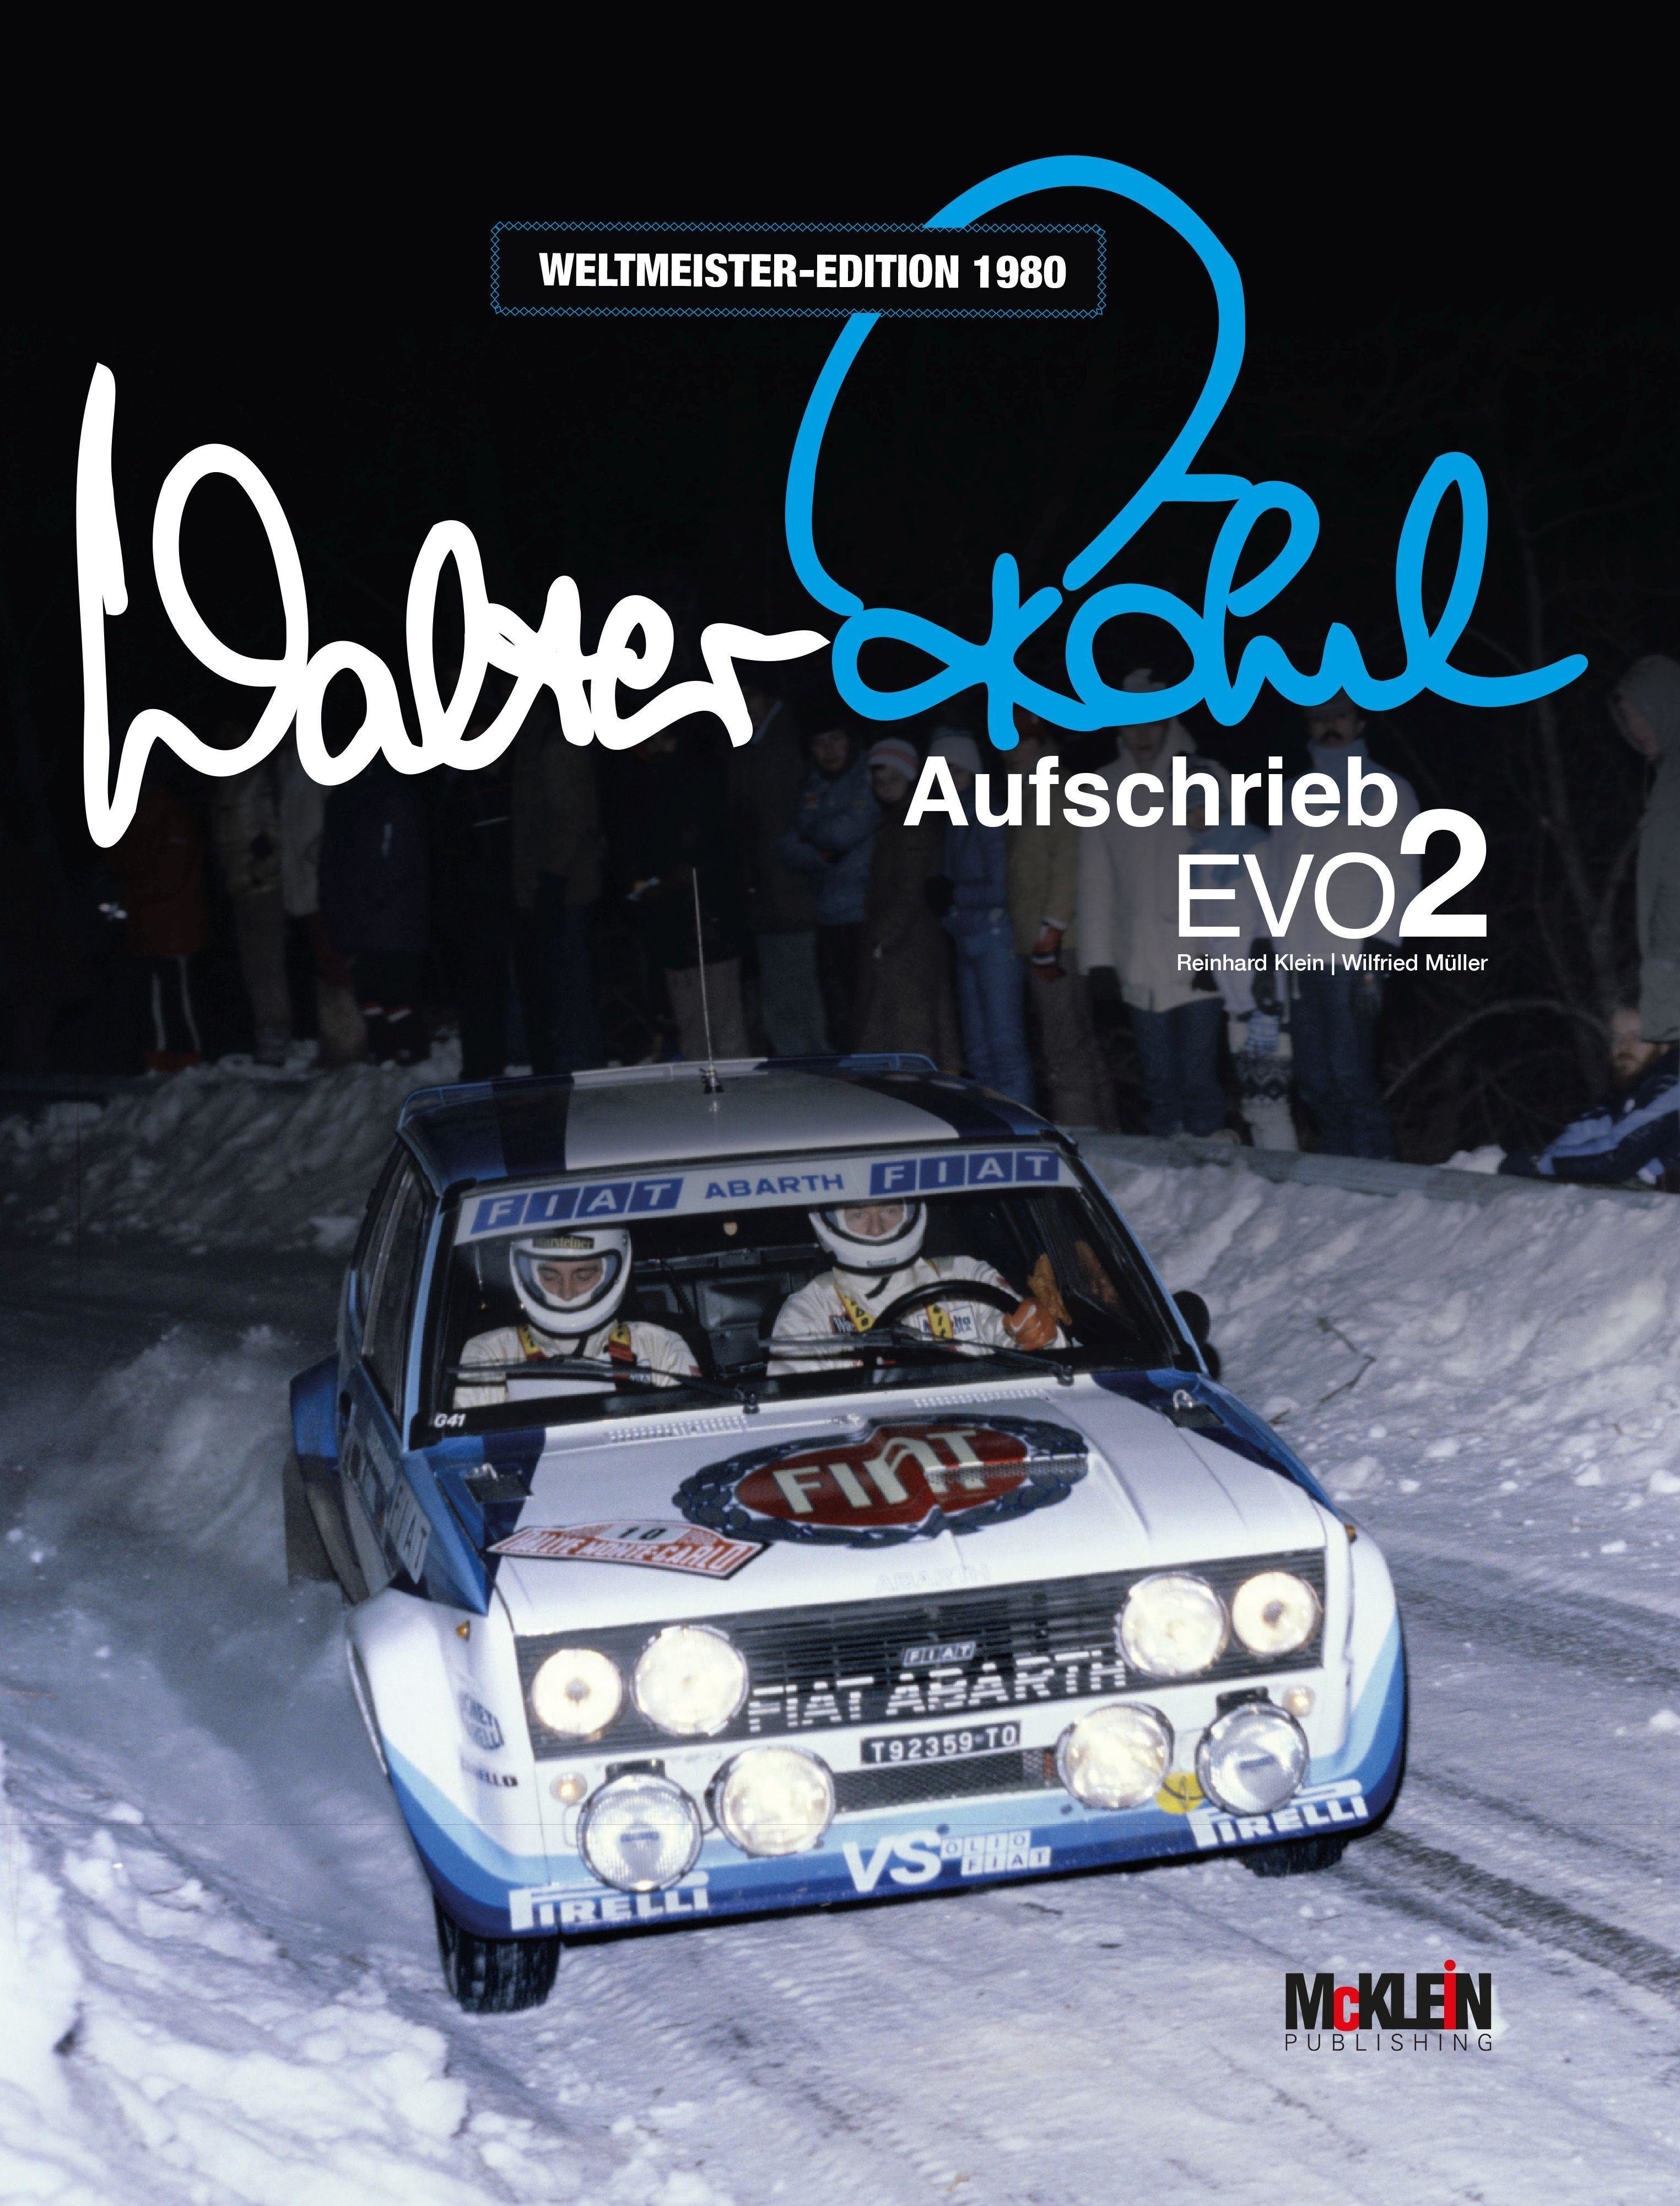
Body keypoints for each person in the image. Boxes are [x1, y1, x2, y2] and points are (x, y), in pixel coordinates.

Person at [1077, 671, 1228, 1138]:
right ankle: (1166, 1167)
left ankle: (1213, 1162)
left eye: (1150, 722)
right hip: (1137, 961)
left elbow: (1225, 869)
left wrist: (1216, 950)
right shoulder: (1101, 787)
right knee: (1158, 1080)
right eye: (1130, 724)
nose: (1141, 735)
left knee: (1200, 1077)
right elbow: (1095, 880)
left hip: (1198, 958)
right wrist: (1098, 961)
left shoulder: (1205, 775)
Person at [1271, 693, 1419, 1158]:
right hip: (1298, 960)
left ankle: (1377, 1172)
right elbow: (1275, 875)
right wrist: (1267, 947)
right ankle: (1335, 1173)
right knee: (1313, 1082)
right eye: (1319, 719)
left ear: (1359, 723)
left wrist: (1381, 947)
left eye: (1339, 716)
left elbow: (1402, 873)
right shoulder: (1291, 793)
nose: (1329, 725)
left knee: (1351, 1075)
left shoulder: (1387, 789)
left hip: (1351, 955)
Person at [769, 1198, 1061, 1369]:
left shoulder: (966, 1274)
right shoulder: (811, 1308)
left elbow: (1041, 1357)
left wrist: (1038, 1333)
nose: (876, 1228)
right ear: (831, 1223)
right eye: (857, 1215)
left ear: (910, 1213)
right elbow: (793, 1414)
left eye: (889, 1210)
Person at [454, 1225, 700, 1406]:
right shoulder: (490, 1353)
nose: (567, 1293)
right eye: (550, 1276)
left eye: (583, 1276)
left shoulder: (659, 1345)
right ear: (527, 1274)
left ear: (611, 1273)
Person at [621, 723, 752, 1061]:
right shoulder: (649, 777)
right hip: (680, 922)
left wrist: (663, 880)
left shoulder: (699, 773)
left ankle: (732, 1088)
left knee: (720, 1023)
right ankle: (706, 1087)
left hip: (708, 918)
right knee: (697, 1025)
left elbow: (701, 849)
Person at [1009, 716, 1114, 1127]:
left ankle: (1081, 1136)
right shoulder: (1027, 790)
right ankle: (1106, 1132)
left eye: (1022, 742)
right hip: (1042, 938)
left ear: (1040, 743)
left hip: (1056, 943)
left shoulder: (1054, 788)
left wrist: (1049, 930)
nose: (1012, 752)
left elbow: (1069, 865)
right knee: (1076, 1040)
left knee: (1064, 1045)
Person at [927, 728, 1035, 1107]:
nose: (947, 780)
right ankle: (995, 1122)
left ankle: (1021, 1126)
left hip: (994, 940)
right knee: (977, 1050)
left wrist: (954, 895)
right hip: (967, 939)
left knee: (1004, 1046)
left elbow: (1005, 886)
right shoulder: (954, 815)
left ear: (973, 772)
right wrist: (949, 910)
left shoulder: (988, 812)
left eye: (955, 771)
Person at [855, 737, 962, 1068]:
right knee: (911, 1035)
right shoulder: (899, 819)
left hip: (908, 947)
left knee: (910, 1037)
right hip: (905, 943)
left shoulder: (914, 822)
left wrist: (883, 939)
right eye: (879, 781)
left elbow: (910, 889)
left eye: (894, 779)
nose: (886, 787)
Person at [734, 683, 827, 1056]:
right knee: (777, 987)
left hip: (795, 889)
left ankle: (818, 1064)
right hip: (762, 890)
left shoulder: (790, 740)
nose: (744, 705)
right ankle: (793, 1062)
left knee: (802, 983)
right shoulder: (746, 743)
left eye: (750, 695)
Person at [319, 756, 430, 1065]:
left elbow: (397, 853)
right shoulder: (344, 796)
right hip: (357, 911)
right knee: (368, 986)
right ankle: (383, 1048)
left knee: (394, 986)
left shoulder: (392, 793)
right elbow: (333, 855)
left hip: (389, 912)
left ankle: (411, 1048)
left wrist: (374, 895)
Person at [511, 706, 604, 1074]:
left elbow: (571, 818)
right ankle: (569, 1057)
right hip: (550, 883)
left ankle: (582, 1061)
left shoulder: (554, 743)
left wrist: (551, 878)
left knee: (571, 978)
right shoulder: (534, 741)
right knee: (559, 978)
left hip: (565, 886)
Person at [777, 723, 877, 1052]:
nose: (829, 750)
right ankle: (848, 1073)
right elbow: (787, 848)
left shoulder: (871, 776)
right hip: (825, 914)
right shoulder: (812, 783)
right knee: (836, 1007)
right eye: (819, 743)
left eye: (836, 739)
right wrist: (821, 852)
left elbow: (842, 834)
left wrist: (811, 833)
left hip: (865, 912)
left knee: (868, 1004)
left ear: (851, 740)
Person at [1499, 1005, 1679, 1187]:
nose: (1624, 1045)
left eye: (1637, 1036)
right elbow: (1578, 1137)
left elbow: (1615, 1159)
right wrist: (1543, 1161)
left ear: (1664, 1045)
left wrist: (1540, 1164)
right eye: (1617, 1038)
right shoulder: (1623, 1096)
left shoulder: (1672, 1084)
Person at [114, 774, 208, 1072]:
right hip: (147, 930)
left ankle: (190, 1060)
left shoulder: (172, 821)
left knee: (178, 999)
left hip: (174, 930)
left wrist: (127, 893)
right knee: (152, 1000)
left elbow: (168, 878)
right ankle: (158, 1063)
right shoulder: (136, 823)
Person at [1611, 656, 1680, 1051]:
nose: (1633, 727)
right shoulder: (1665, 781)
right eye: (1626, 717)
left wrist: (1664, 975)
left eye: (1638, 712)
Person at [208, 742, 291, 1066]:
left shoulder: (260, 777)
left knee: (269, 963)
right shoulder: (225, 781)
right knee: (253, 967)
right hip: (238, 888)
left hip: (264, 887)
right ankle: (265, 1032)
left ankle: (277, 1035)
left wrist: (260, 872)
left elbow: (276, 833)